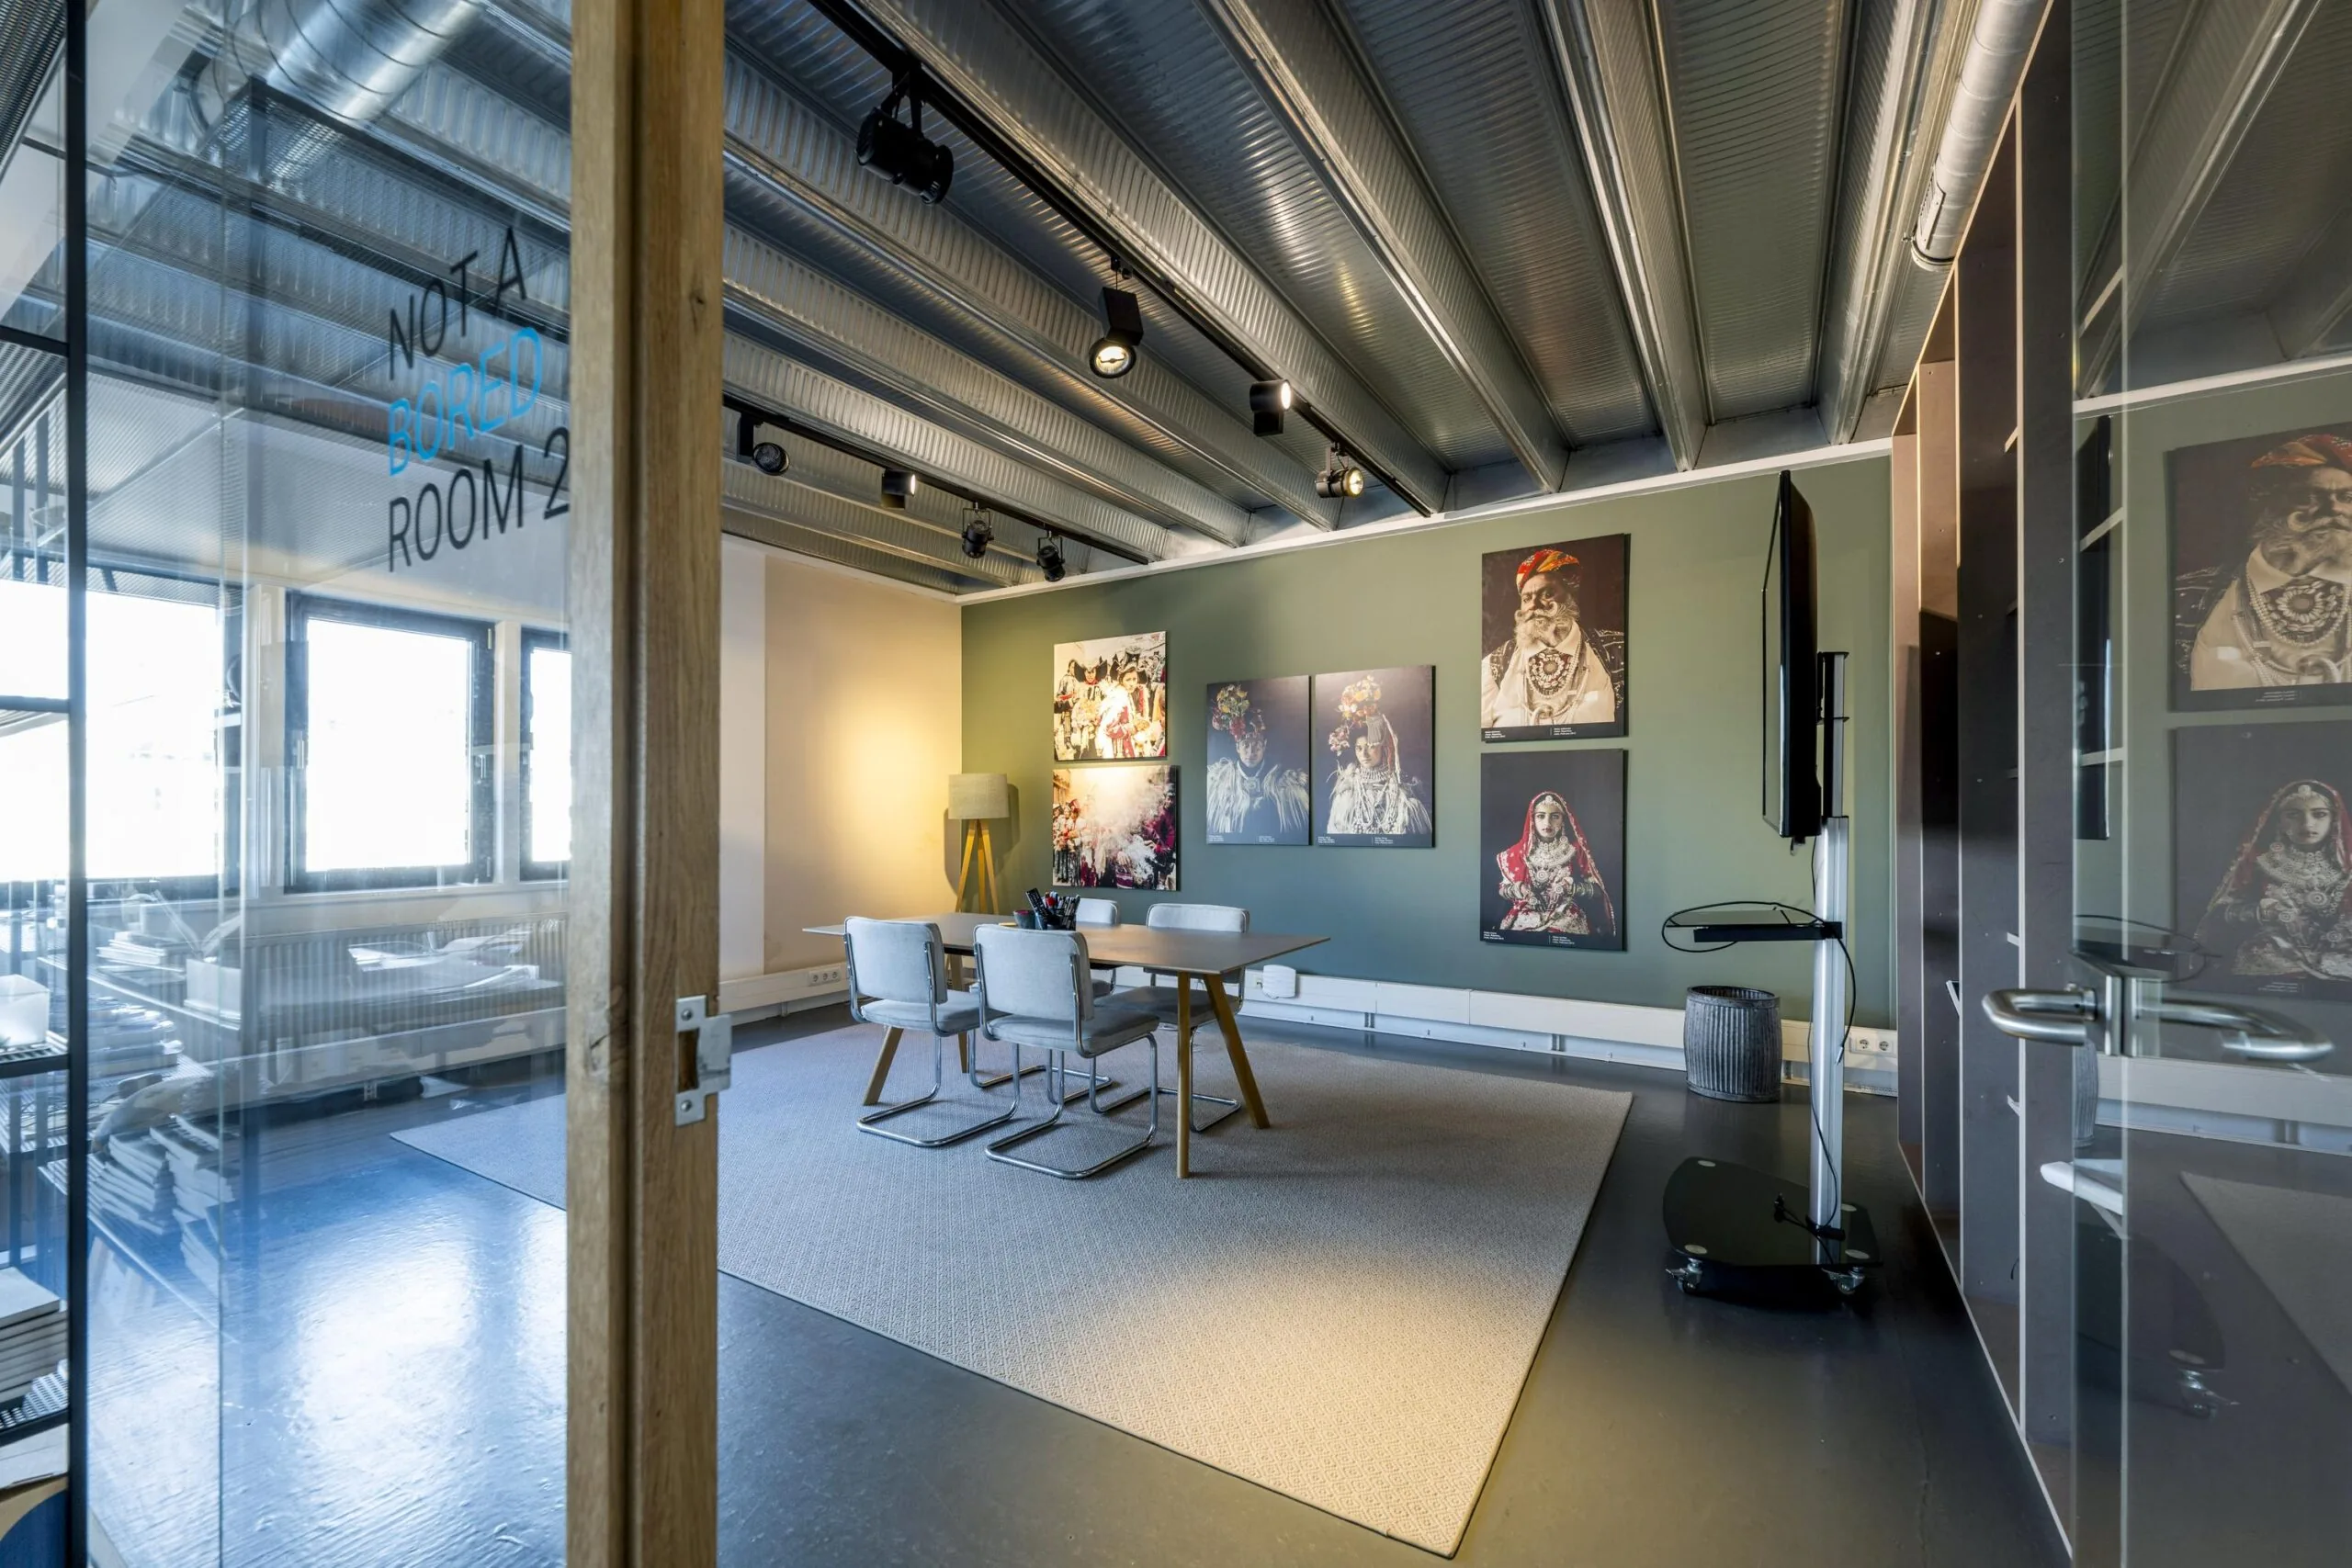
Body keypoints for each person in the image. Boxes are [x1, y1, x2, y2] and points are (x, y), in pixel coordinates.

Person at [2186, 433, 2352, 690]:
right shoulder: (2188, 593)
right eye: (2309, 497)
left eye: (2347, 498)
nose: (2334, 509)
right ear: (2268, 504)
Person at [2194, 777, 2352, 979]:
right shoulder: (2258, 864)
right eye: (2293, 815)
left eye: (2319, 815)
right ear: (2279, 821)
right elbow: (2219, 916)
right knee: (2260, 955)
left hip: (2339, 950)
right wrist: (2260, 911)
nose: (2307, 823)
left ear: (2334, 820)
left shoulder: (2346, 866)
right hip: (2276, 951)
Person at [1481, 547, 1621, 729]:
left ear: (1571, 596)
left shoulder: (1614, 650)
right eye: (1526, 598)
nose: (1534, 605)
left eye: (1547, 594)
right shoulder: (1496, 664)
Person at [1493, 790, 1614, 937]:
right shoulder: (1516, 853)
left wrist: (1571, 888)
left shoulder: (1575, 850)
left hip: (1565, 914)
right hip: (1527, 913)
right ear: (1533, 820)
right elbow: (1502, 890)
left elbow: (1598, 890)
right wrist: (1523, 890)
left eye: (1555, 816)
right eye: (1541, 816)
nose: (1547, 823)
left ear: (1563, 820)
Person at [1323, 676, 1431, 837]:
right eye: (1359, 748)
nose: (1364, 754)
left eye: (1371, 747)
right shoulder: (1347, 792)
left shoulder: (1405, 789)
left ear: (1385, 748)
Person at [1204, 683, 1309, 840]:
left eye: (1256, 745)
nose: (1251, 752)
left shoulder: (1285, 783)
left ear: (1265, 746)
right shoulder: (1219, 781)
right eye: (1246, 745)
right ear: (1237, 747)